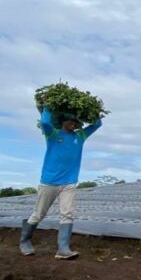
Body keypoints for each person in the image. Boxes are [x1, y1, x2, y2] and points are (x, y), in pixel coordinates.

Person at [20, 109, 102, 259]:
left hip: (69, 182)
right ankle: (24, 240)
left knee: (67, 214)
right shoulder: (53, 134)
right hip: (49, 182)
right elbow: (45, 122)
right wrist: (47, 107)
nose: (72, 124)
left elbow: (98, 124)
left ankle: (63, 248)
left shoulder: (80, 136)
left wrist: (94, 112)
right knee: (39, 213)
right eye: (69, 121)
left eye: (75, 121)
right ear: (62, 121)